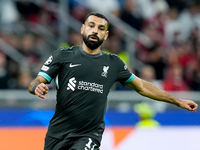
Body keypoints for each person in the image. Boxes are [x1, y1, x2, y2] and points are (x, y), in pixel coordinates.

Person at [28, 12, 198, 150]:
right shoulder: (63, 55)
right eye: (91, 26)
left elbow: (142, 86)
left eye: (101, 28)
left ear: (106, 34)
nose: (95, 31)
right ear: (82, 29)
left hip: (88, 134)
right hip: (57, 133)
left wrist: (176, 101)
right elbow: (36, 81)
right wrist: (37, 86)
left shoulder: (113, 63)